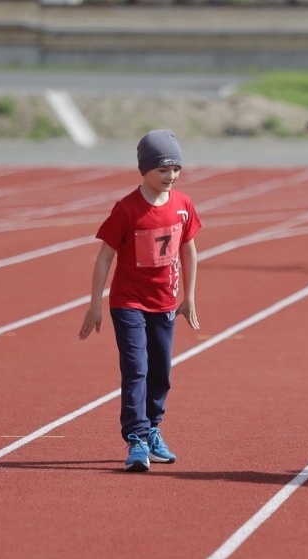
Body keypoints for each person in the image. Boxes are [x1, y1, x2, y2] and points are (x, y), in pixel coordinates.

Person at [78, 129, 201, 473]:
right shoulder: (127, 209)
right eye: (162, 169)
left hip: (164, 304)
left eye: (175, 169)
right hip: (129, 303)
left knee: (161, 372)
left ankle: (153, 429)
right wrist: (94, 304)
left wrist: (188, 297)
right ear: (144, 170)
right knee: (137, 370)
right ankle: (136, 438)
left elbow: (189, 251)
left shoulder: (183, 205)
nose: (170, 176)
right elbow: (104, 258)